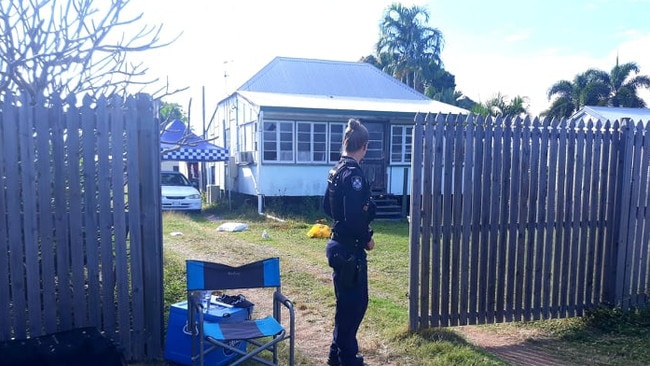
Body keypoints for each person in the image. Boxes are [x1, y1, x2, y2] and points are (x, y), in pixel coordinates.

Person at [323, 118, 376, 366]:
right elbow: (356, 216)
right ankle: (348, 358)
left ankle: (337, 354)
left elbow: (326, 205)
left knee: (347, 304)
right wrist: (367, 238)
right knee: (355, 304)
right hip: (350, 250)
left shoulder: (336, 170)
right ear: (363, 146)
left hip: (337, 244)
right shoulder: (353, 174)